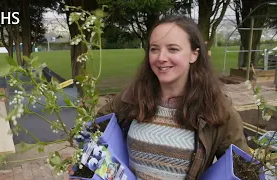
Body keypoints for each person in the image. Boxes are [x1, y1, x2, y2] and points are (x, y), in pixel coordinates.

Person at [70, 15, 250, 180]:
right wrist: (83, 168)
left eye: (173, 49)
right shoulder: (130, 98)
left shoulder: (218, 108)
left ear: (194, 54)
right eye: (154, 49)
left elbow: (244, 170)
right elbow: (92, 136)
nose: (161, 58)